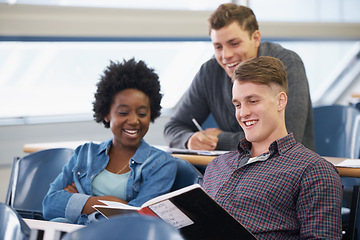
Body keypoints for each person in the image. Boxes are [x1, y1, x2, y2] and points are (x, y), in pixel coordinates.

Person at [202, 56, 342, 239]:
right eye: (237, 104)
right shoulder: (217, 165)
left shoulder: (313, 171)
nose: (243, 113)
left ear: (280, 101)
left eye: (253, 101)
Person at [43, 58, 178, 225]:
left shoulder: (161, 164)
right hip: (77, 233)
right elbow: (49, 205)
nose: (134, 120)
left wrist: (80, 200)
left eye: (142, 114)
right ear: (107, 114)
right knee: (57, 221)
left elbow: (138, 219)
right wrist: (111, 203)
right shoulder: (84, 154)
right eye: (123, 112)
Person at [164, 3, 315, 151]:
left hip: (286, 166)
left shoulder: (287, 63)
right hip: (236, 168)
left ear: (256, 39)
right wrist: (189, 140)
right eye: (218, 47)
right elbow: (173, 127)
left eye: (234, 43)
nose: (226, 55)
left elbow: (288, 137)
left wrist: (220, 140)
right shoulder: (209, 72)